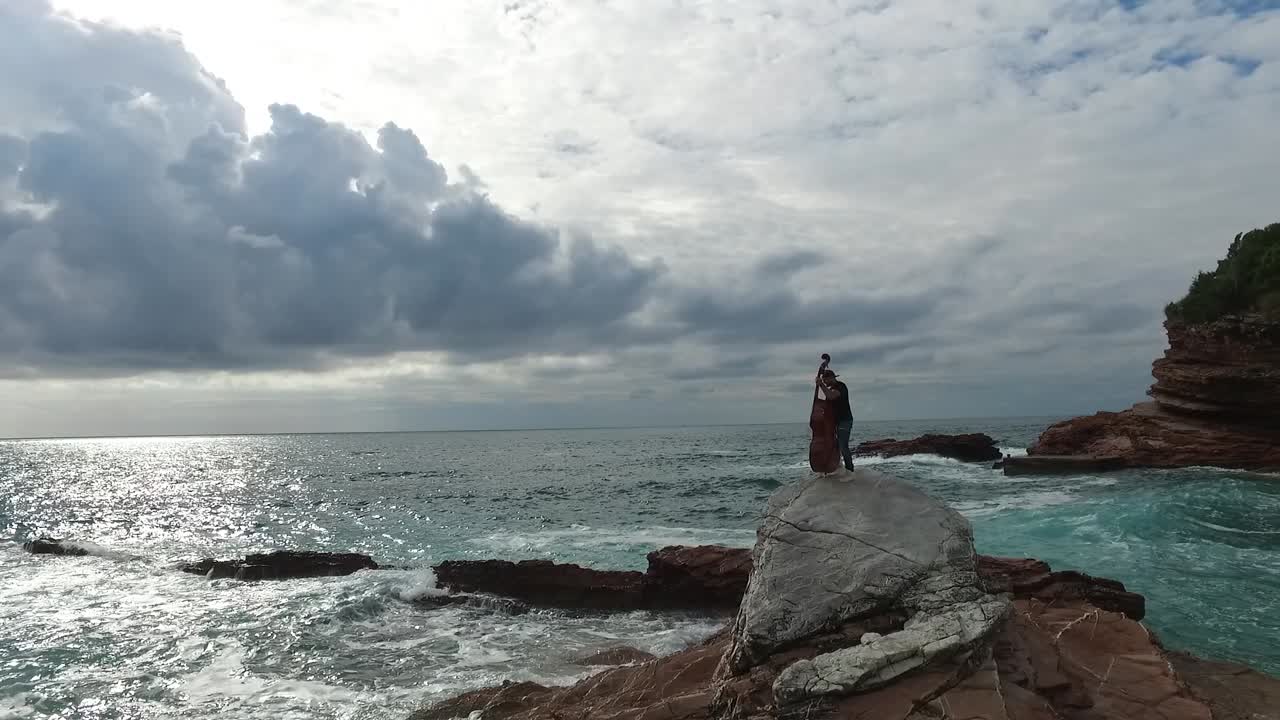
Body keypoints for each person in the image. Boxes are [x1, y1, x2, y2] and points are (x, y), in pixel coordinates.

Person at [817, 368, 854, 471]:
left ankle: (850, 470)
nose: (825, 383)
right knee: (836, 446)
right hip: (835, 422)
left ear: (831, 378)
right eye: (823, 381)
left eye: (825, 380)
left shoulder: (841, 386)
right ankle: (835, 467)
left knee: (843, 447)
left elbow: (831, 396)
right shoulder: (832, 388)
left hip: (845, 420)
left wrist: (821, 385)